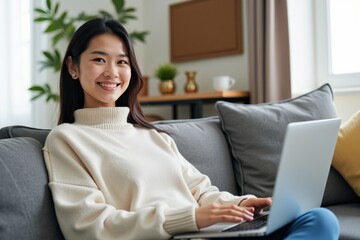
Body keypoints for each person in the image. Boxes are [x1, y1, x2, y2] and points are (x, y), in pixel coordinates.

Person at [43, 18, 339, 240]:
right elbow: (89, 227)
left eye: (122, 61)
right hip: (179, 234)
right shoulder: (66, 140)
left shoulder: (153, 135)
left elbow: (202, 191)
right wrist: (191, 218)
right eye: (98, 59)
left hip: (210, 233)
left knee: (319, 219)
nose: (112, 72)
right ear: (72, 67)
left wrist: (244, 204)